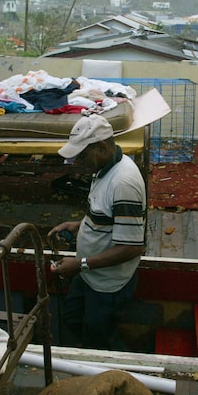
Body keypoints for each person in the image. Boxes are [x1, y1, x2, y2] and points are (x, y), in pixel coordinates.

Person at [48, 114, 146, 350]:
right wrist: (78, 226)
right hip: (90, 273)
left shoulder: (123, 183)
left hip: (107, 284)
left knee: (100, 340)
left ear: (102, 147)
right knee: (72, 318)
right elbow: (104, 215)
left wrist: (80, 264)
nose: (78, 161)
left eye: (82, 155)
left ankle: (118, 376)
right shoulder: (102, 169)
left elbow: (133, 247)